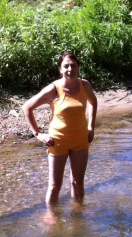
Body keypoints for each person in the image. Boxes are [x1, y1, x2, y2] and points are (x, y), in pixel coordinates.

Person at [23, 53, 98, 204]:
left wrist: (91, 127)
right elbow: (27, 107)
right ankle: (51, 216)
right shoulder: (54, 89)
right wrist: (38, 134)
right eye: (66, 66)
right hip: (57, 141)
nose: (70, 69)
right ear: (60, 69)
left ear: (79, 67)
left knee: (77, 183)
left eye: (73, 65)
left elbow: (93, 102)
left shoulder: (85, 85)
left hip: (81, 140)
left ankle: (78, 213)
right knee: (55, 185)